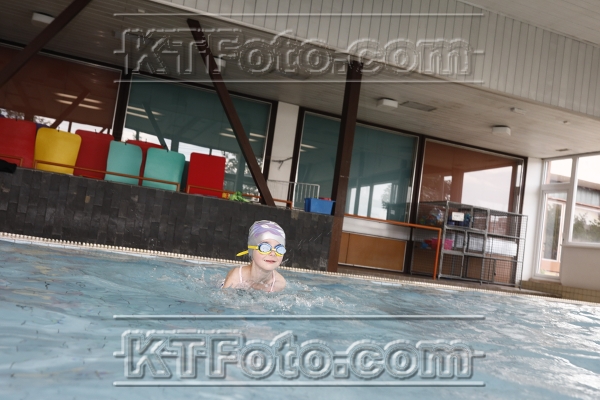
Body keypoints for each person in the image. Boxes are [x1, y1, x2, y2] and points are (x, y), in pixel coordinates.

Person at [222, 220, 287, 292]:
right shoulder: (236, 276)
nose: (273, 253)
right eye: (264, 248)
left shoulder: (279, 283)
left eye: (279, 249)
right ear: (251, 250)